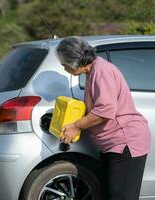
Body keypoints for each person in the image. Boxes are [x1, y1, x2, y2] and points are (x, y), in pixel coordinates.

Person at [56, 36, 151, 200]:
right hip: (112, 145)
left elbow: (105, 110)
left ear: (75, 61)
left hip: (125, 142)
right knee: (109, 195)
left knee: (119, 196)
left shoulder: (102, 71)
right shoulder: (92, 72)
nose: (65, 69)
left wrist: (76, 126)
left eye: (65, 65)